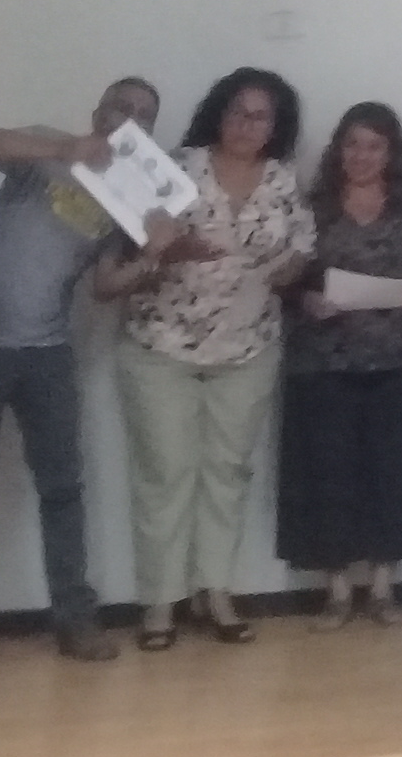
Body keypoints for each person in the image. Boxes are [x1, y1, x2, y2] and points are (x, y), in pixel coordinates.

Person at [0, 76, 160, 672]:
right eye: (119, 105)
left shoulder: (129, 193)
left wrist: (155, 255)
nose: (126, 117)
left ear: (149, 131)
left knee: (63, 489)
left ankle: (75, 620)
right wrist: (62, 149)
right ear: (98, 109)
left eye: (142, 114)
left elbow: (105, 287)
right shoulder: (47, 147)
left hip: (47, 352)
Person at [92, 67, 315, 650]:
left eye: (261, 116)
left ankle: (215, 593)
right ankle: (159, 604)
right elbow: (128, 248)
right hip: (163, 343)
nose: (247, 125)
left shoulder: (283, 180)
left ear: (276, 125)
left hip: (248, 347)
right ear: (219, 112)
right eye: (238, 111)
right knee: (165, 475)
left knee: (228, 473)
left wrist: (290, 270)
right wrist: (170, 251)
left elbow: (302, 246)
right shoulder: (176, 168)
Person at [277, 103, 402, 628]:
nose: (361, 155)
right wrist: (306, 299)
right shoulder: (312, 209)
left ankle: (381, 589)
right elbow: (286, 280)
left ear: (391, 152)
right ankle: (335, 592)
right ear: (338, 148)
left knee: (394, 475)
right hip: (323, 363)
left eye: (374, 146)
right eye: (352, 144)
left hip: (398, 361)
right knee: (328, 476)